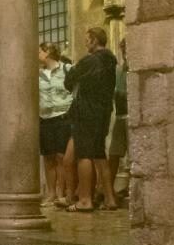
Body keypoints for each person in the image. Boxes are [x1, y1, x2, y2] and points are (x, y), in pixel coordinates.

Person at [64, 26, 119, 212]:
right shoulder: (111, 60)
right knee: (99, 154)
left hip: (86, 111)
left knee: (84, 154)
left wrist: (75, 75)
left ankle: (85, 200)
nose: (85, 43)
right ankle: (110, 198)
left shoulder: (90, 61)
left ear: (95, 40)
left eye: (87, 39)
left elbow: (69, 81)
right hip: (103, 112)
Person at [37, 42, 74, 207]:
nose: (37, 54)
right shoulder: (37, 74)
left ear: (48, 52)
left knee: (61, 156)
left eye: (40, 51)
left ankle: (61, 192)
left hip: (62, 117)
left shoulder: (67, 69)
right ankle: (51, 193)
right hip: (45, 118)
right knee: (48, 157)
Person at [109, 38, 129, 205]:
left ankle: (130, 187)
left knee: (133, 156)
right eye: (123, 49)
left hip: (131, 116)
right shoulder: (119, 71)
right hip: (120, 116)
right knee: (114, 154)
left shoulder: (132, 71)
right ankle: (109, 190)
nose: (125, 53)